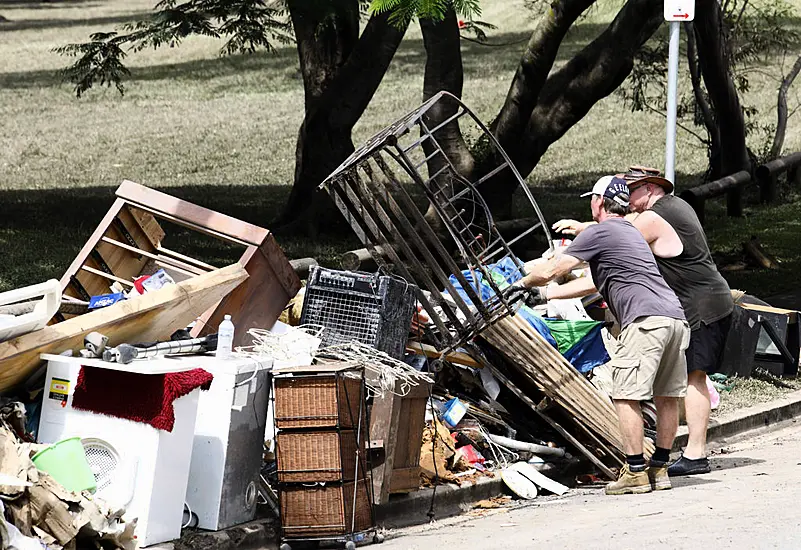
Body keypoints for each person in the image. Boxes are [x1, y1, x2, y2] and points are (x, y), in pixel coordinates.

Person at [554, 166, 734, 476]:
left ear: (650, 189)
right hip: (708, 300)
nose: (626, 196)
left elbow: (617, 239)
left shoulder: (654, 217)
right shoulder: (673, 207)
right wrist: (583, 227)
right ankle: (684, 455)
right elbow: (619, 230)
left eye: (632, 190)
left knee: (694, 377)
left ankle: (694, 453)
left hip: (699, 305)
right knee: (690, 379)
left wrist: (554, 285)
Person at [516, 175, 690, 495]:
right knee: (667, 396)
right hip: (675, 318)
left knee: (625, 395)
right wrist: (547, 297)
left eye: (590, 200)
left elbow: (552, 269)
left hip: (644, 320)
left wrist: (520, 285)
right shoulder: (630, 233)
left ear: (598, 202)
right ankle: (660, 470)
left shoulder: (599, 231)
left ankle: (636, 472)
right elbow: (593, 284)